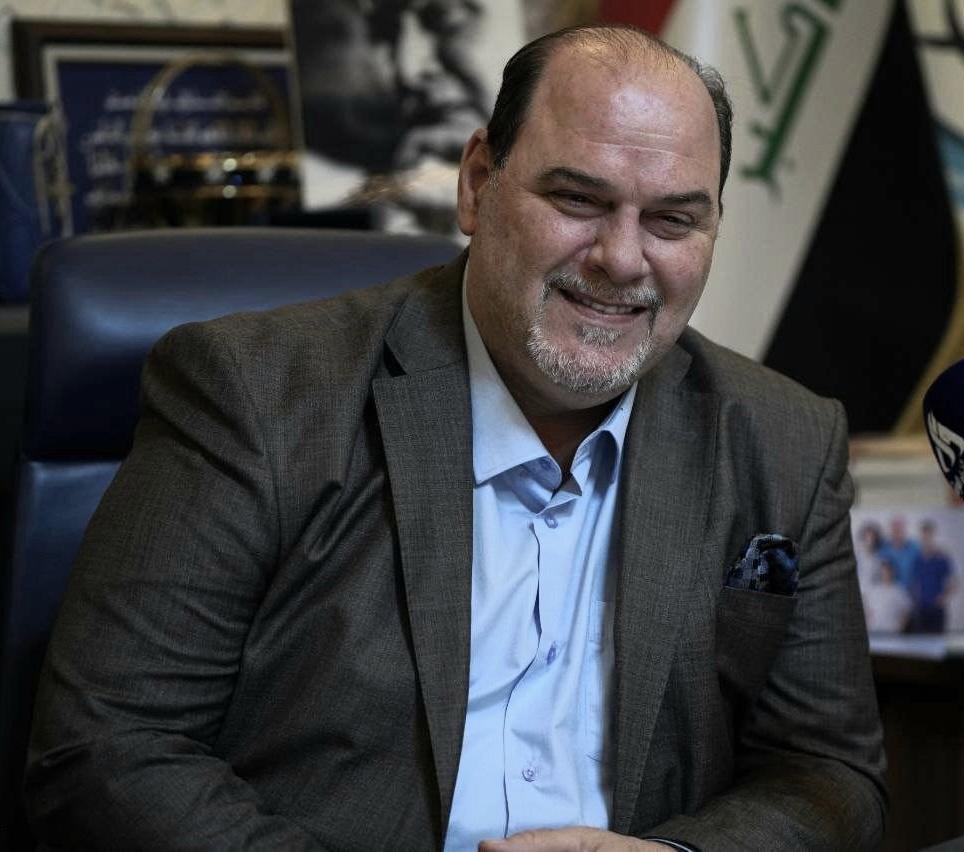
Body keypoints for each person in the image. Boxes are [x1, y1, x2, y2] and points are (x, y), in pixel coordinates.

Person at [25, 25, 886, 851]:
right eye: (578, 200)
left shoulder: (783, 440)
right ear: (478, 183)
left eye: (672, 221)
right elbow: (106, 747)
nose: (623, 259)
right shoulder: (257, 393)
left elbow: (828, 771)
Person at [909, 520, 955, 634]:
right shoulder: (917, 559)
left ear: (933, 535)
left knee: (937, 641)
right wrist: (915, 600)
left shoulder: (942, 558)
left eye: (928, 535)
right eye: (923, 535)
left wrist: (943, 599)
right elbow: (914, 582)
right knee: (921, 641)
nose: (925, 538)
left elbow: (953, 583)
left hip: (937, 609)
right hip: (921, 608)